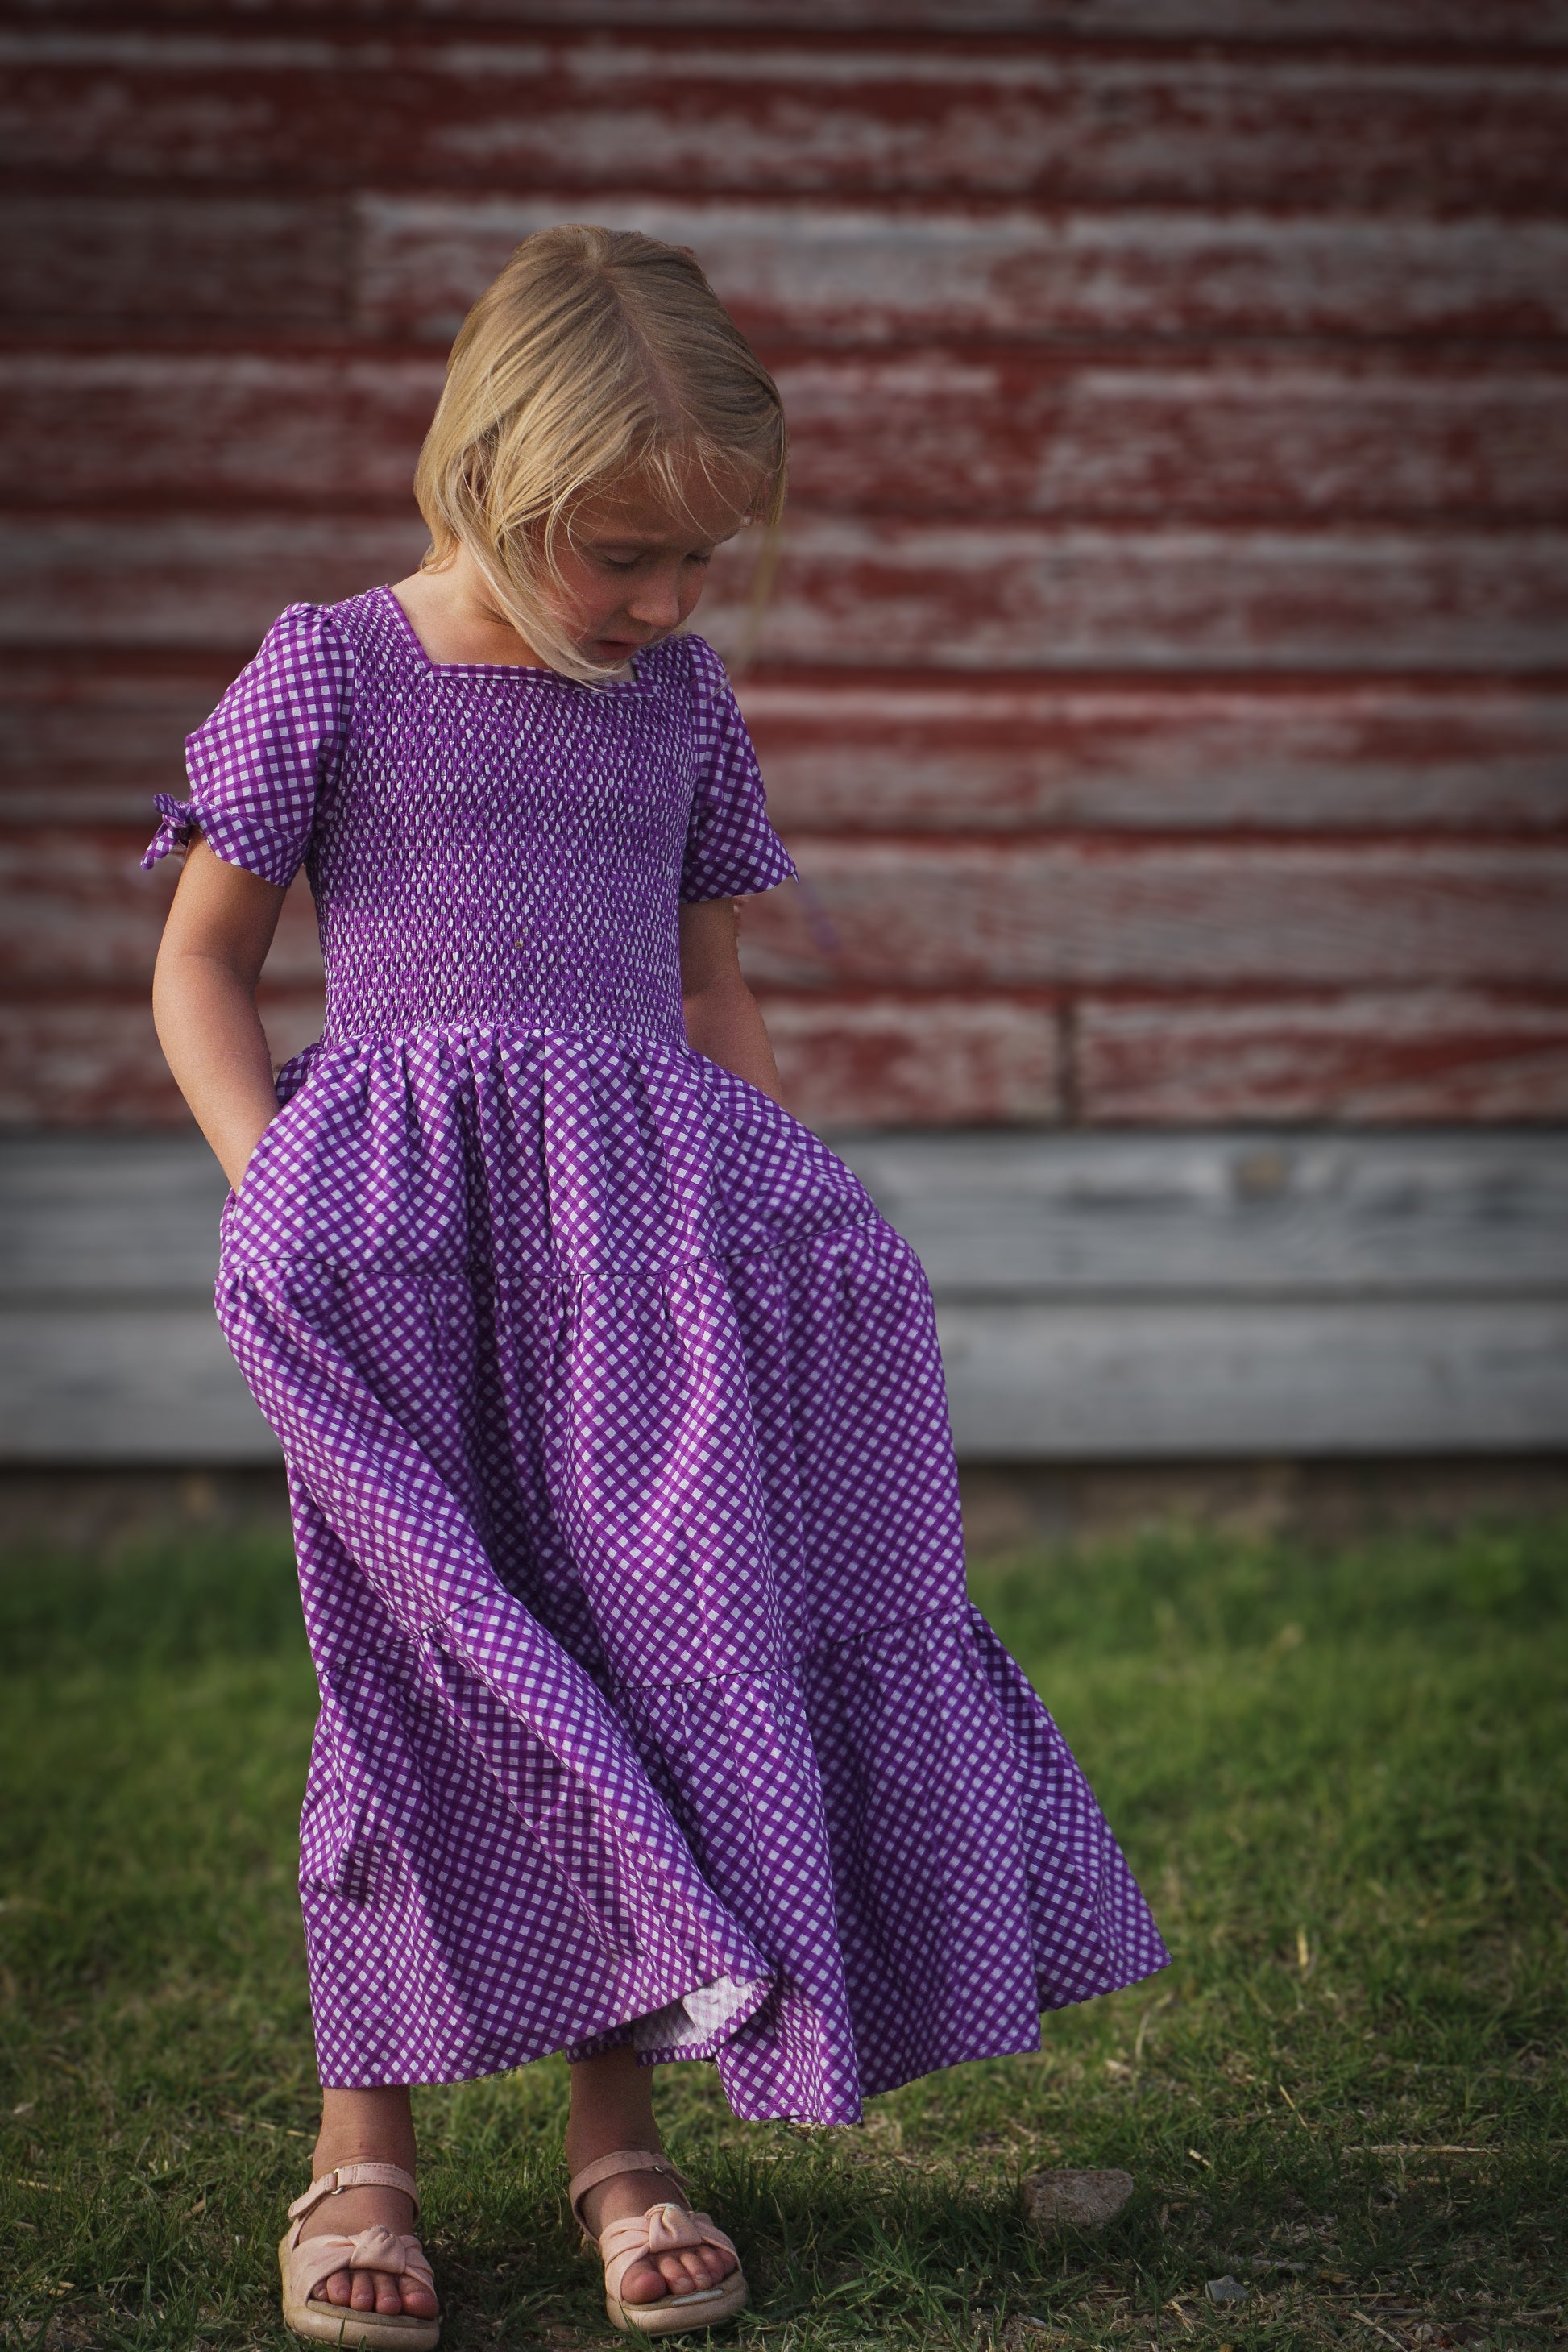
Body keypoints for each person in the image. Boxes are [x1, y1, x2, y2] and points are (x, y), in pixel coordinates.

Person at [147, 224, 1168, 2347]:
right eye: (624, 556)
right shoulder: (330, 669)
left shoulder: (679, 702)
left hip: (644, 1284)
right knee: (426, 1678)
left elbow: (712, 998)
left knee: (638, 1656)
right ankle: (368, 2152)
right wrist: (274, 1198)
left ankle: (623, 2140)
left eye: (703, 564)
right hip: (399, 1266)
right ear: (490, 486)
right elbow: (200, 966)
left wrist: (764, 1230)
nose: (667, 604)